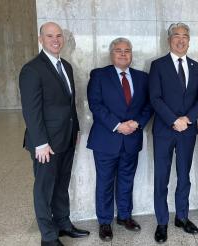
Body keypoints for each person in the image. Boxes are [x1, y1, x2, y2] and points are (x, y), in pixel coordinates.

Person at [19, 22, 89, 246]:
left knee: (61, 184)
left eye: (59, 35)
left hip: (66, 137)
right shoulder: (32, 69)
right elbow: (31, 110)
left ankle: (63, 224)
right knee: (44, 189)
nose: (55, 39)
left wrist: (75, 129)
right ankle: (48, 237)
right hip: (45, 143)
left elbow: (70, 104)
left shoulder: (66, 66)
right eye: (50, 36)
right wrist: (40, 143)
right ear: (41, 39)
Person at [86, 37, 153, 241]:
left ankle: (124, 216)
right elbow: (95, 105)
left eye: (127, 50)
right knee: (105, 182)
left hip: (131, 139)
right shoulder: (99, 75)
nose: (123, 54)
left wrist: (136, 123)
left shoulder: (142, 77)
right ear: (111, 53)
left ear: (132, 54)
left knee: (126, 180)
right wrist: (118, 125)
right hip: (106, 139)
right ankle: (105, 222)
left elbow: (148, 106)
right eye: (118, 50)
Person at [149, 22, 198, 243]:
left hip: (187, 131)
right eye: (176, 35)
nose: (181, 39)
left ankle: (182, 216)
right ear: (169, 39)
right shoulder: (158, 65)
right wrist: (174, 120)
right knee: (161, 177)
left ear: (189, 41)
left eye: (185, 36)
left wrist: (187, 119)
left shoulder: (197, 67)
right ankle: (162, 221)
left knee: (184, 176)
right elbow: (155, 98)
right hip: (164, 130)